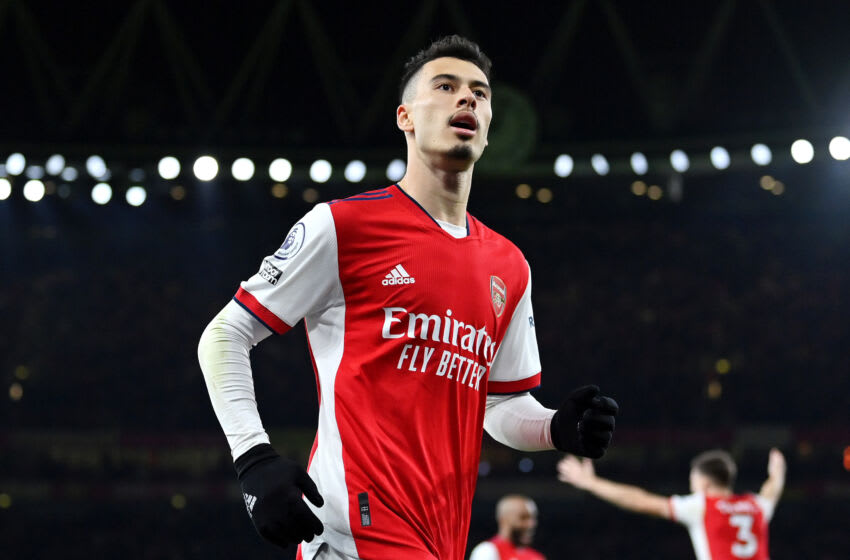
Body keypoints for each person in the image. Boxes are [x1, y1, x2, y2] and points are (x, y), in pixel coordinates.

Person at [198, 35, 618, 560]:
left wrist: (554, 427)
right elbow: (225, 333)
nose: (466, 99)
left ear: (488, 126)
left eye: (480, 93)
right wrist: (253, 459)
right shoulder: (343, 226)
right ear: (406, 117)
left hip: (440, 538)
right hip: (351, 531)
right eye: (445, 87)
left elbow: (497, 404)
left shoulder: (509, 266)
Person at [557, 448, 786, 560]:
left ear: (705, 483)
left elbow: (640, 501)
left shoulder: (701, 506)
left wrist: (591, 483)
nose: (691, 487)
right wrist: (778, 473)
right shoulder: (756, 506)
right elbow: (771, 490)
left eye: (693, 481)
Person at [469, 494, 545, 560]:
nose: (531, 524)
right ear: (503, 520)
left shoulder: (537, 557)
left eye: (533, 518)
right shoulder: (487, 551)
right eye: (523, 518)